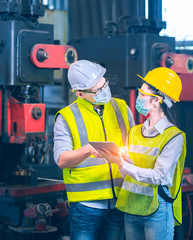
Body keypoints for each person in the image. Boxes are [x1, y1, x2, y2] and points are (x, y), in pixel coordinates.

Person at [98, 67, 187, 240]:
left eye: (142, 93)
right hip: (131, 206)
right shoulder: (135, 132)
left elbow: (158, 176)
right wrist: (117, 159)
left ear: (156, 101)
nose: (139, 97)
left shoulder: (174, 137)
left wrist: (121, 163)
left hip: (157, 209)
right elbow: (128, 172)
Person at [53, 59, 135, 240]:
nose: (105, 90)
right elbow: (61, 159)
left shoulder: (121, 107)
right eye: (98, 90)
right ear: (80, 94)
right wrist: (87, 150)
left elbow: (135, 145)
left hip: (120, 201)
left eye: (104, 84)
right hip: (86, 205)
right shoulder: (66, 117)